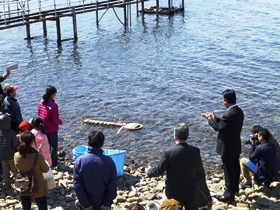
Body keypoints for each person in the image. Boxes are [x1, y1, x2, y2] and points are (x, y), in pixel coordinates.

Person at [146, 123, 205, 210]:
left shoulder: (168, 153)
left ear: (175, 136)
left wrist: (148, 171)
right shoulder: (195, 151)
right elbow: (199, 169)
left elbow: (158, 171)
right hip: (191, 190)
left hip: (174, 192)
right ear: (187, 135)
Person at [202, 89, 244, 204]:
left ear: (226, 101)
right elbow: (225, 124)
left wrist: (210, 120)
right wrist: (216, 119)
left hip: (227, 148)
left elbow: (219, 128)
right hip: (235, 145)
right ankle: (235, 189)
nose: (222, 102)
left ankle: (228, 196)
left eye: (223, 100)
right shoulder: (239, 111)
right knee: (235, 167)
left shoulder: (229, 114)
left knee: (228, 171)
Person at [73, 131, 117, 210]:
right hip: (103, 204)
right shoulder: (109, 161)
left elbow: (78, 186)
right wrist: (107, 203)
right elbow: (112, 184)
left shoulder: (79, 161)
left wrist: (86, 205)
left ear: (88, 142)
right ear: (102, 144)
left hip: (86, 204)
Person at [14, 131, 49, 210]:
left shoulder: (16, 155)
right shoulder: (38, 156)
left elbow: (17, 167)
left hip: (23, 184)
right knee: (42, 206)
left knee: (26, 206)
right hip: (38, 185)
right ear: (32, 142)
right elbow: (46, 170)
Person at [38, 85, 63, 167]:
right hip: (52, 129)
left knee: (46, 145)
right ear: (53, 94)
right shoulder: (53, 105)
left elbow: (40, 115)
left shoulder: (41, 103)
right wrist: (60, 122)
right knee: (54, 146)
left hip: (43, 127)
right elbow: (54, 120)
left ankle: (46, 160)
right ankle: (53, 163)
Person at [0, 112, 18, 195]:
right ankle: (18, 187)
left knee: (5, 172)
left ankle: (8, 188)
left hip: (2, 156)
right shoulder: (11, 133)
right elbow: (14, 145)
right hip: (11, 156)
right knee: (15, 172)